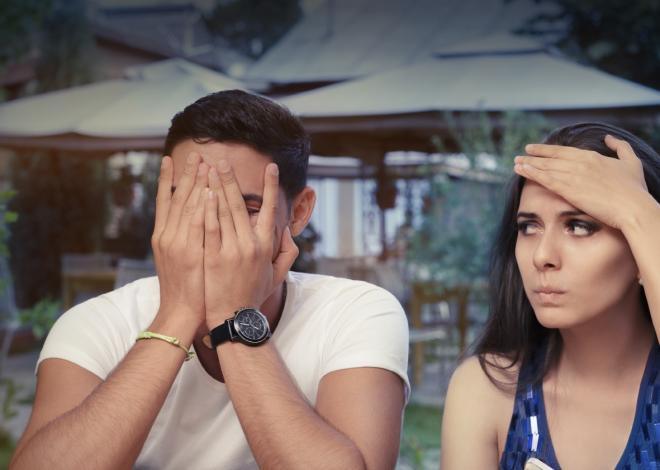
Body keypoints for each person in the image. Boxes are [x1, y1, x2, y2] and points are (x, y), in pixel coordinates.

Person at [10, 90, 409, 470]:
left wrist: (235, 318)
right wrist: (177, 314)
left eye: (245, 208)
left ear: (299, 212)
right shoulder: (98, 323)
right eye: (188, 202)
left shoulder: (355, 312)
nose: (210, 228)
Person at [441, 122, 660, 469]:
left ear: (641, 248)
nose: (542, 255)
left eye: (579, 226)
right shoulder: (487, 391)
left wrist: (639, 212)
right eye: (529, 226)